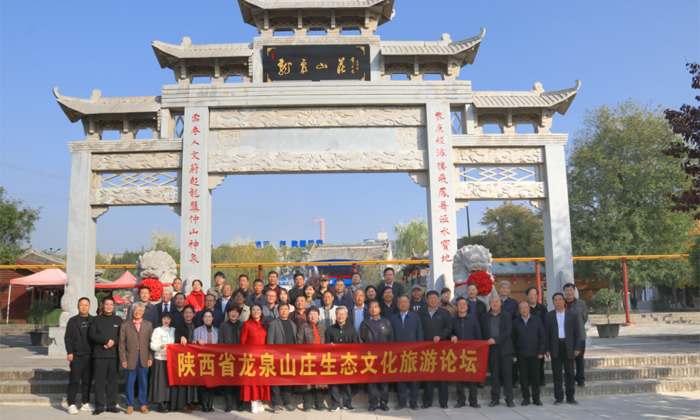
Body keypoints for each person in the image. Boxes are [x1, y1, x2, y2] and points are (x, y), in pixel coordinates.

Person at [545, 293, 581, 405]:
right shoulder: (549, 316)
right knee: (557, 374)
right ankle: (559, 398)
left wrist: (577, 347)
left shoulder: (572, 314)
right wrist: (547, 349)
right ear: (553, 302)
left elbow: (577, 333)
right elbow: (546, 334)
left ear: (564, 302)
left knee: (570, 373)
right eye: (555, 300)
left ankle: (570, 397)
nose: (558, 301)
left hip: (569, 346)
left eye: (560, 299)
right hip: (555, 347)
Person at [119, 301, 154, 414]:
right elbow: (121, 344)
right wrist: (123, 359)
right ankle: (130, 405)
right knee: (130, 382)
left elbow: (150, 343)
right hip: (130, 357)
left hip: (144, 356)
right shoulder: (125, 325)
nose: (137, 312)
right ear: (132, 311)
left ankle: (142, 404)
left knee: (143, 382)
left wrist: (150, 357)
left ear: (143, 312)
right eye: (135, 310)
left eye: (140, 310)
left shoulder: (148, 325)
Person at [358, 301, 394, 412]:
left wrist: (389, 353)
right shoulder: (365, 323)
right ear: (368, 310)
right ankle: (373, 403)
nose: (373, 309)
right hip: (370, 357)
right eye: (371, 307)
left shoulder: (386, 322)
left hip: (383, 356)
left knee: (383, 380)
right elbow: (360, 339)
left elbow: (391, 338)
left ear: (379, 309)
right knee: (371, 381)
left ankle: (384, 403)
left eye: (376, 307)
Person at [89, 296, 122, 415]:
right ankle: (99, 406)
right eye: (106, 304)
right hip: (99, 355)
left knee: (112, 382)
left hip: (113, 356)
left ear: (114, 306)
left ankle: (111, 405)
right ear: (102, 306)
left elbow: (121, 336)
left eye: (111, 304)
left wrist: (113, 341)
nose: (109, 306)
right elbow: (92, 334)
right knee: (99, 382)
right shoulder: (96, 320)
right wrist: (105, 340)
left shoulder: (118, 320)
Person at [419, 290, 452, 409]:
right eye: (430, 298)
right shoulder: (422, 313)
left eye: (435, 298)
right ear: (427, 300)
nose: (433, 300)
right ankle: (427, 402)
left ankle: (443, 402)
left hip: (441, 348)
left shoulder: (444, 313)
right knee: (428, 376)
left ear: (438, 300)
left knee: (442, 376)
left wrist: (441, 336)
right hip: (426, 350)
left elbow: (449, 327)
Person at [389, 296, 423, 410]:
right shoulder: (392, 318)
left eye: (405, 302)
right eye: (401, 302)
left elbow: (420, 334)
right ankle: (402, 401)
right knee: (400, 378)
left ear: (409, 304)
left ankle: (413, 402)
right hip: (398, 354)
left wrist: (419, 350)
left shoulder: (416, 317)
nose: (403, 304)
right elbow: (390, 336)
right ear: (397, 304)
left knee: (414, 379)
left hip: (413, 353)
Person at [482, 295, 515, 408]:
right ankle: (495, 398)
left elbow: (508, 331)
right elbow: (483, 332)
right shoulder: (485, 316)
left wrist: (495, 340)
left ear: (501, 303)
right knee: (494, 375)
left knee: (507, 376)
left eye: (497, 301)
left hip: (505, 349)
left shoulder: (506, 315)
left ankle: (509, 399)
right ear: (489, 304)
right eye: (492, 302)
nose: (495, 304)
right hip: (492, 350)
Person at [450, 296, 481, 409]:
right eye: (460, 304)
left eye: (464, 304)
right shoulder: (453, 320)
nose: (462, 306)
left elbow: (478, 335)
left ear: (467, 307)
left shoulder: (473, 319)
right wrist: (452, 336)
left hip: (471, 353)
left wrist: (478, 350)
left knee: (473, 378)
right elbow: (449, 332)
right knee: (459, 379)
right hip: (458, 353)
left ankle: (473, 401)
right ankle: (461, 400)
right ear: (457, 307)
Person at [325, 306, 359, 412]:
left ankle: (347, 404)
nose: (340, 316)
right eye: (338, 314)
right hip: (334, 361)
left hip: (347, 361)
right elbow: (326, 344)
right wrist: (329, 345)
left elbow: (356, 345)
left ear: (346, 316)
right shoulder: (330, 329)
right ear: (335, 316)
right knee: (334, 383)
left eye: (342, 314)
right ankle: (334, 404)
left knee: (347, 383)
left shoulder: (351, 329)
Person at [513, 301, 546, 407]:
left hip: (535, 354)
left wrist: (541, 351)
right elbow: (513, 340)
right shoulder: (515, 322)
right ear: (519, 310)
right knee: (523, 378)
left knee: (535, 378)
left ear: (529, 309)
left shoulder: (537, 320)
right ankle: (526, 398)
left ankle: (536, 398)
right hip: (521, 354)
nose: (524, 310)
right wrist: (514, 354)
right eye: (521, 308)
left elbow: (542, 337)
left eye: (526, 308)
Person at [267, 303, 298, 413]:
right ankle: (275, 404)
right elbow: (270, 342)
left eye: (286, 309)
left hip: (290, 359)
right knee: (276, 382)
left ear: (289, 311)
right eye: (281, 309)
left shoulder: (293, 325)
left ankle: (287, 403)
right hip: (277, 358)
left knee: (288, 382)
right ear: (278, 311)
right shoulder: (273, 324)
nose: (284, 311)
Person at [65, 297, 94, 415]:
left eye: (86, 305)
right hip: (77, 355)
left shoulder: (93, 320)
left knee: (87, 381)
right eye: (81, 305)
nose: (83, 307)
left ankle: (85, 403)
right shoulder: (73, 321)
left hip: (91, 355)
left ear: (89, 307)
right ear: (78, 306)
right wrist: (69, 352)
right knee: (74, 380)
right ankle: (71, 404)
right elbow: (68, 337)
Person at [240, 303, 270, 413]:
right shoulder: (247, 324)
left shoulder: (266, 323)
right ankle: (253, 402)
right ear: (251, 312)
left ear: (261, 311)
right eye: (253, 310)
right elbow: (243, 341)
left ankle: (260, 401)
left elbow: (269, 340)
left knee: (262, 380)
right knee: (252, 380)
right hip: (250, 358)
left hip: (263, 357)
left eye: (258, 309)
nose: (256, 312)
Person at [296, 306, 327, 411]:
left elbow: (325, 342)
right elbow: (299, 342)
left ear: (318, 316)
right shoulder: (303, 327)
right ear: (307, 316)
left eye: (315, 314)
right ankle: (307, 404)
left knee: (319, 382)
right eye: (310, 314)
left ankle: (319, 403)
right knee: (306, 382)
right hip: (307, 359)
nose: (313, 316)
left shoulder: (322, 327)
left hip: (320, 359)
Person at [171, 305, 198, 413]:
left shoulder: (197, 325)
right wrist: (180, 338)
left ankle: (190, 402)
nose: (188, 314)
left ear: (194, 314)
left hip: (194, 357)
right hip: (183, 357)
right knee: (183, 381)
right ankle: (182, 405)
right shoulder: (179, 326)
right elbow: (175, 339)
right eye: (186, 313)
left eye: (190, 313)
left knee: (192, 381)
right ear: (183, 314)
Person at [218, 305, 244, 412]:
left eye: (236, 312)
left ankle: (239, 405)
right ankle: (228, 405)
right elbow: (220, 341)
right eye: (231, 312)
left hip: (240, 358)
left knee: (239, 383)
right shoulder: (223, 325)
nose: (234, 314)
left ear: (239, 314)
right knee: (228, 383)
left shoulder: (242, 325)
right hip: (227, 357)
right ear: (228, 314)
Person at [563, 282, 588, 387]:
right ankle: (570, 379)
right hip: (566, 337)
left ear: (574, 291)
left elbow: (585, 318)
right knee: (568, 360)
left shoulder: (581, 303)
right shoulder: (561, 304)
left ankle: (580, 379)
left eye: (571, 290)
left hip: (580, 336)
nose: (569, 292)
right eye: (567, 290)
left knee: (579, 359)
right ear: (564, 292)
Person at [149, 312, 175, 413]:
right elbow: (152, 344)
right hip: (160, 359)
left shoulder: (174, 330)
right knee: (160, 383)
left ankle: (168, 402)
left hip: (171, 360)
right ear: (161, 319)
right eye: (164, 318)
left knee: (169, 382)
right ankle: (161, 404)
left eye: (168, 319)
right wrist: (160, 347)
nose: (166, 321)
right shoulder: (157, 330)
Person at [193, 310, 219, 412]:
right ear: (202, 318)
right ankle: (203, 404)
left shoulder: (217, 330)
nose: (207, 318)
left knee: (212, 383)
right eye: (205, 317)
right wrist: (196, 342)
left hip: (213, 361)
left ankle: (210, 404)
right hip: (201, 360)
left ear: (212, 318)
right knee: (202, 383)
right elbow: (192, 344)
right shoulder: (197, 330)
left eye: (209, 316)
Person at [525, 286, 548, 386]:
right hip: (527, 339)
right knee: (528, 362)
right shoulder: (524, 307)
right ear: (527, 296)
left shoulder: (542, 308)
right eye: (530, 295)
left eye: (534, 295)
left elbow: (546, 324)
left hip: (539, 339)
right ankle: (529, 380)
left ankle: (541, 380)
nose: (532, 297)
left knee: (539, 361)